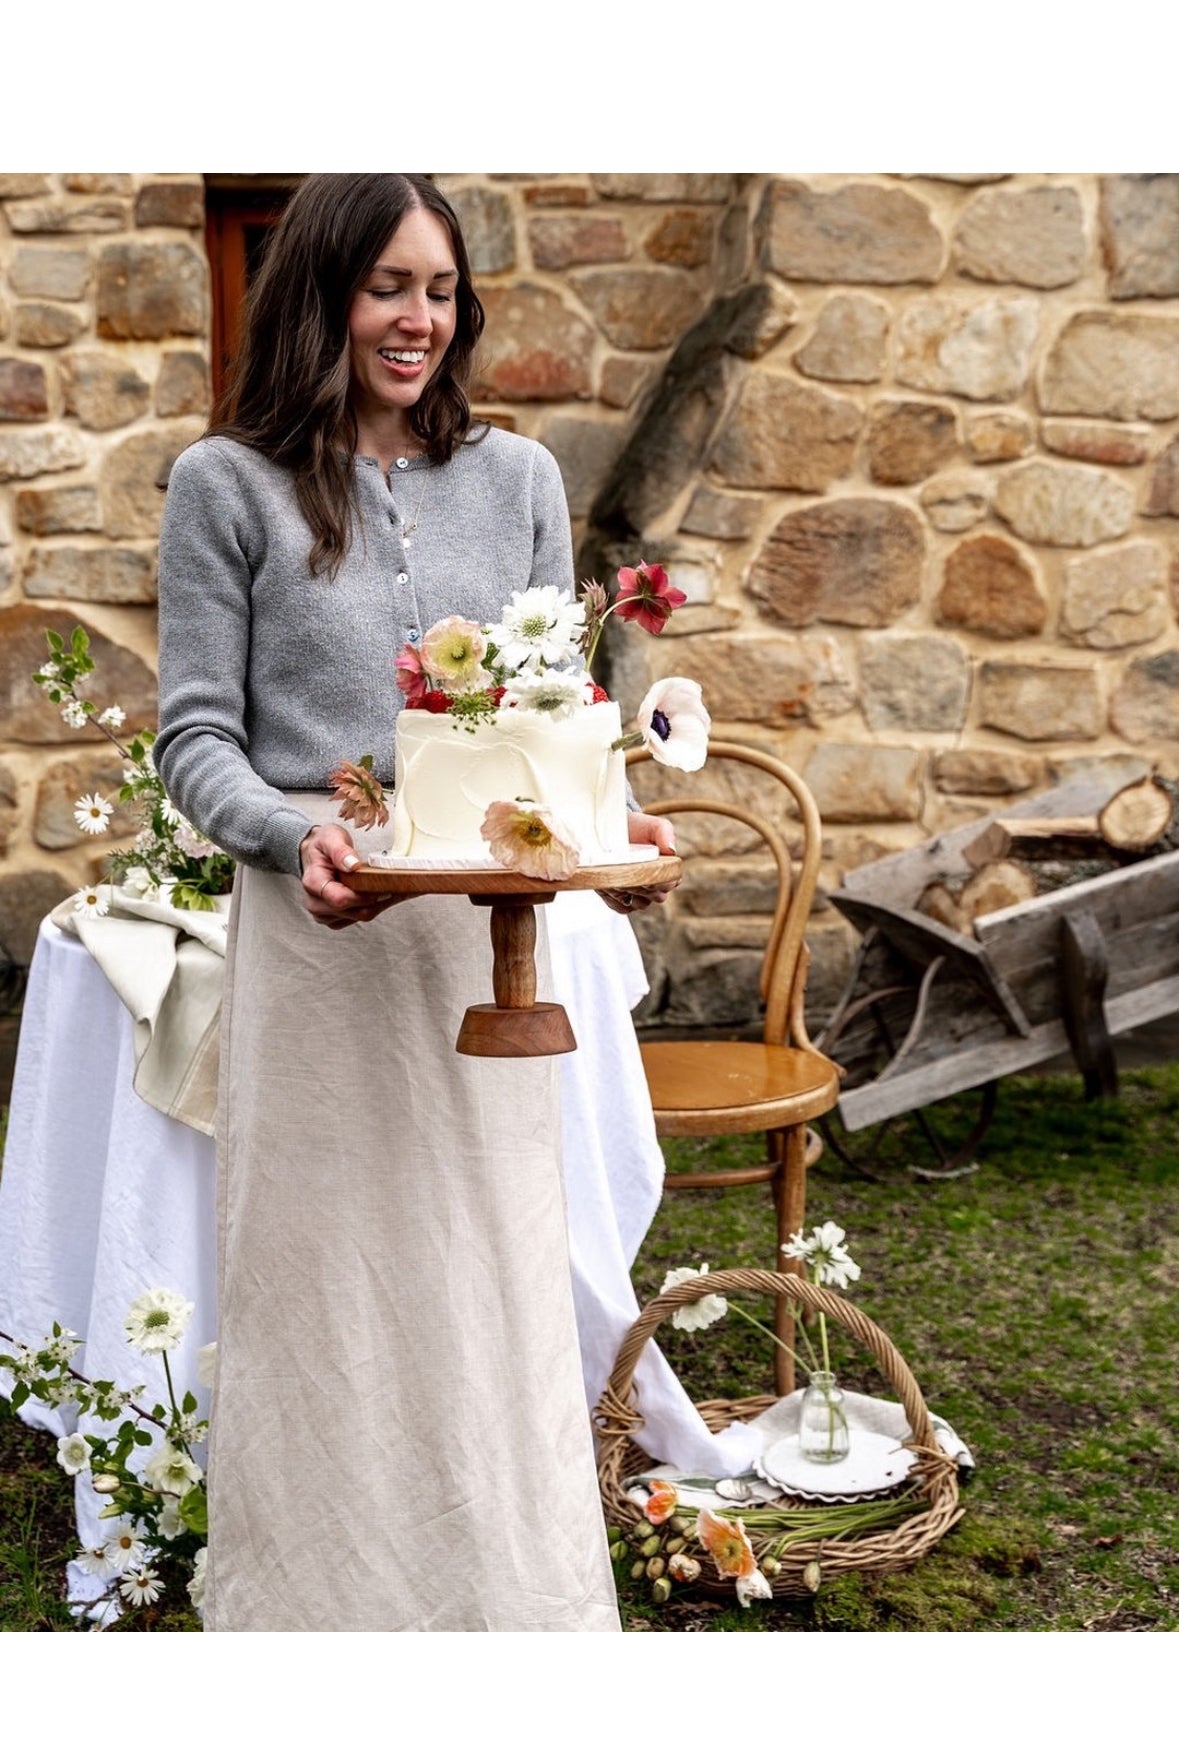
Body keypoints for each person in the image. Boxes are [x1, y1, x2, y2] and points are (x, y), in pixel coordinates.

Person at [154, 173, 677, 1631]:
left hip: (481, 939)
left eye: (440, 291)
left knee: (488, 1264)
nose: (418, 319)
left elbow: (550, 701)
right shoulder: (225, 486)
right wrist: (286, 835)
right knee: (323, 1284)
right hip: (317, 932)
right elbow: (194, 731)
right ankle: (317, 1616)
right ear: (319, 291)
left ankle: (507, 1604)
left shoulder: (516, 480)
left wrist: (593, 804)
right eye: (389, 285)